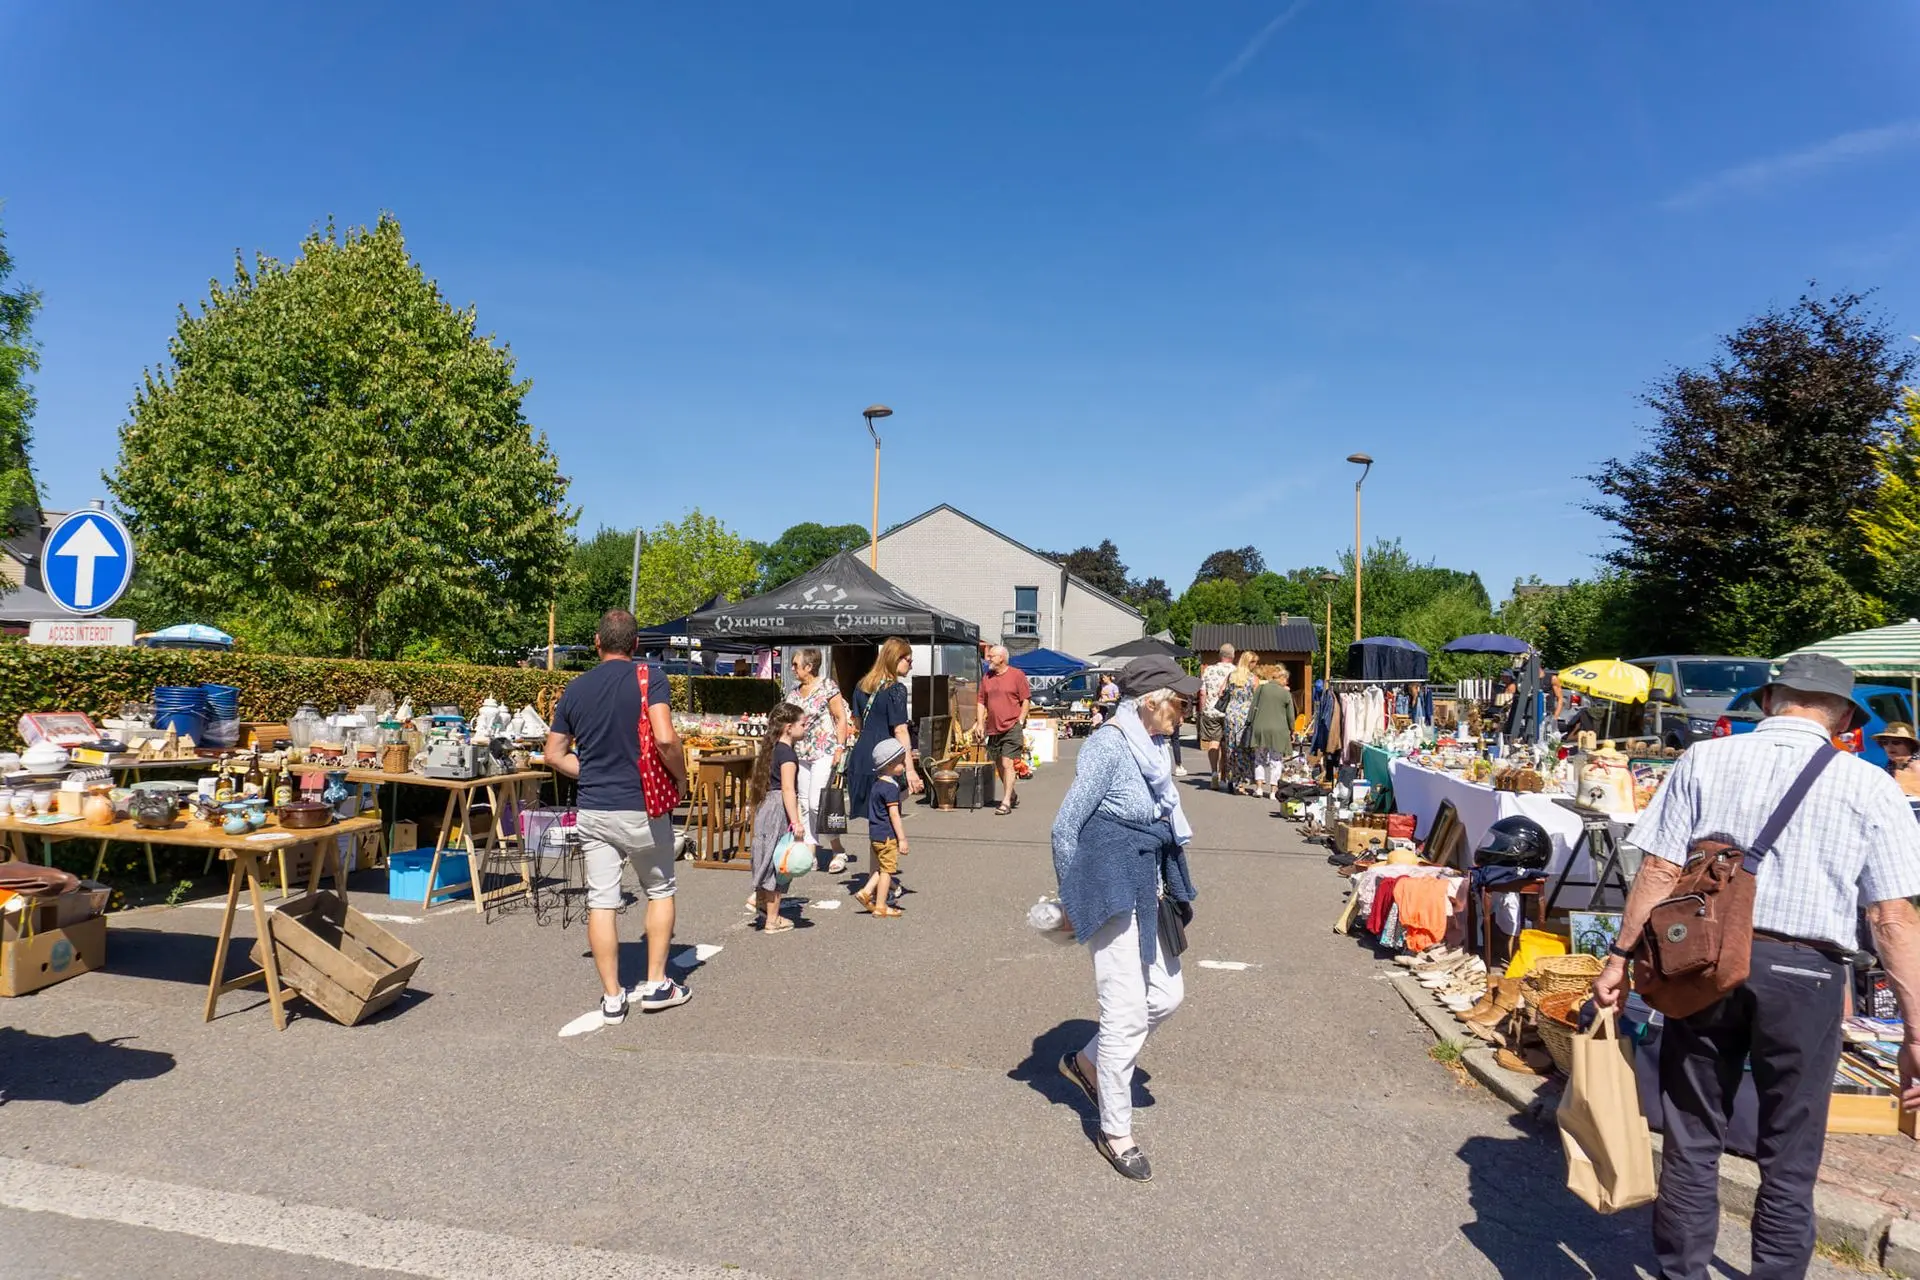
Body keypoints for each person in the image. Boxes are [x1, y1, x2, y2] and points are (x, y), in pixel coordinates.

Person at [1591, 654, 1920, 1280]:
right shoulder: (1872, 785)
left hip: (1703, 962)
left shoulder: (1703, 759)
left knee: (1692, 1136)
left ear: (1768, 700)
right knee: (1790, 1154)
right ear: (1845, 719)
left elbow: (1658, 870)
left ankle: (1681, 1273)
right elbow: (1892, 917)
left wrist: (1618, 958)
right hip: (1806, 975)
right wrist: (1915, 1031)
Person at [1051, 655, 1199, 1182]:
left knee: (1167, 995)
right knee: (1125, 1013)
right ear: (1150, 703)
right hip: (1111, 888)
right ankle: (1116, 1131)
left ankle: (1088, 1062)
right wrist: (1073, 898)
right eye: (1179, 702)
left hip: (1148, 887)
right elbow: (1065, 826)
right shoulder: (1109, 745)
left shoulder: (1154, 747)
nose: (1185, 711)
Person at [543, 609, 690, 1027]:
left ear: (597, 642)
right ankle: (657, 983)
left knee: (601, 900)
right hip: (641, 805)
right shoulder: (651, 677)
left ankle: (612, 997)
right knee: (659, 889)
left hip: (594, 807)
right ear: (636, 643)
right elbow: (665, 738)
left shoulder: (575, 688)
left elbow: (553, 754)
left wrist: (591, 772)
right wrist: (680, 779)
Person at [848, 637, 924, 838]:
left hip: (862, 755)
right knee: (888, 814)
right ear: (895, 659)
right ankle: (884, 859)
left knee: (874, 816)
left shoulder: (861, 686)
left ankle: (876, 858)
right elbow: (900, 730)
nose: (911, 665)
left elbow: (858, 724)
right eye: (909, 660)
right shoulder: (896, 690)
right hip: (887, 755)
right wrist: (910, 769)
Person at [790, 648, 854, 873]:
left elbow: (840, 717)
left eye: (796, 664)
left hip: (824, 750)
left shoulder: (828, 686)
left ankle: (838, 849)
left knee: (818, 803)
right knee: (805, 804)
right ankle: (811, 851)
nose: (792, 668)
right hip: (801, 752)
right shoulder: (794, 693)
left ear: (809, 666)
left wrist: (840, 746)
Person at [747, 702, 808, 933]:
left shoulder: (771, 750)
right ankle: (772, 920)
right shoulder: (788, 754)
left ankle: (760, 901)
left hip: (766, 807)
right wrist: (796, 821)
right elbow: (788, 789)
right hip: (779, 809)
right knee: (779, 861)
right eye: (802, 724)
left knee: (766, 856)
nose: (805, 728)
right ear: (789, 728)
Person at [853, 738, 909, 919]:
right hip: (887, 836)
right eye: (901, 762)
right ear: (890, 764)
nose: (904, 766)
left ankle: (866, 892)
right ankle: (881, 905)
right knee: (887, 871)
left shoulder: (877, 784)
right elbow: (894, 815)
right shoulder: (891, 788)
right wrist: (902, 839)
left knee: (881, 867)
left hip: (875, 834)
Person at [975, 644, 1033, 816]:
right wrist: (980, 723)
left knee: (1008, 763)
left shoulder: (1017, 675)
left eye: (991, 656)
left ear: (1001, 658)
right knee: (999, 764)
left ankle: (1006, 801)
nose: (988, 659)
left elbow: (1026, 699)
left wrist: (1021, 719)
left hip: (1012, 726)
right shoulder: (987, 677)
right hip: (993, 728)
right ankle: (1012, 794)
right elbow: (981, 701)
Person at [1247, 666, 1296, 801]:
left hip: (1260, 728)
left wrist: (1249, 723)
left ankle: (1259, 788)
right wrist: (1292, 730)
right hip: (1278, 731)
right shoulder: (1285, 693)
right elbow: (1290, 716)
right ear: (1281, 678)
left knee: (1259, 759)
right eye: (1286, 679)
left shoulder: (1261, 689)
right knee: (1276, 761)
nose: (1287, 682)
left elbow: (1252, 708)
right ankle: (1273, 791)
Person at [1221, 650, 1259, 794]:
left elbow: (1221, 692)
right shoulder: (1253, 679)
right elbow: (1256, 699)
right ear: (1249, 662)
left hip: (1231, 714)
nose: (1256, 665)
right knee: (1244, 747)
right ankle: (1241, 783)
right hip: (1245, 715)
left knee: (1231, 747)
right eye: (1255, 662)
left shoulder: (1231, 676)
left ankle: (1232, 778)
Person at [1198, 644, 1235, 785]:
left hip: (1211, 712)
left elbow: (1202, 693)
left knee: (1214, 742)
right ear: (1232, 656)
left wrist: (1202, 710)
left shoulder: (1209, 670)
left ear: (1220, 655)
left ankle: (1214, 772)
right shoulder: (1235, 671)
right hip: (1229, 712)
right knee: (1227, 744)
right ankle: (1224, 774)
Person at [1879, 722, 1920, 799]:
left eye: (1896, 742)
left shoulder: (1917, 767)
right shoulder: (1889, 767)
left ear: (1910, 745)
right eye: (1885, 742)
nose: (1889, 746)